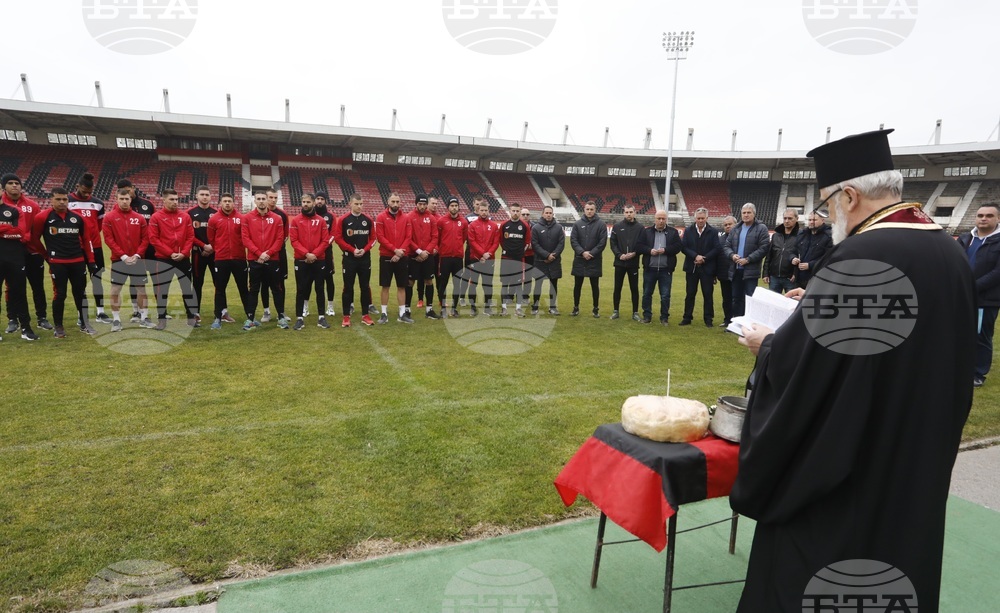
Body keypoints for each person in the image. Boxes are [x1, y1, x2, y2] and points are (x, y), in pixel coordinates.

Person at [731, 129, 975, 613]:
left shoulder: (864, 255)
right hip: (914, 451)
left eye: (825, 205)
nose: (825, 217)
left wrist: (770, 345)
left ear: (849, 194)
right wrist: (816, 309)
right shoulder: (945, 248)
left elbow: (812, 372)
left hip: (851, 466)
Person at [27, 187, 96, 339]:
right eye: (58, 199)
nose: (62, 202)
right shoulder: (42, 217)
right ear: (51, 200)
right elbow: (34, 239)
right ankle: (58, 326)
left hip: (77, 262)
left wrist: (90, 261)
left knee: (80, 293)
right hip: (58, 263)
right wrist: (46, 256)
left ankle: (85, 323)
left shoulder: (77, 218)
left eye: (65, 199)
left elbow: (86, 240)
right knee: (60, 294)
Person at [957, 204, 1000, 388]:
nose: (984, 218)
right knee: (960, 333)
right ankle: (960, 368)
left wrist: (972, 286)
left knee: (981, 336)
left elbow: (997, 273)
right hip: (962, 295)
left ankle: (978, 373)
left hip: (986, 299)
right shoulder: (966, 239)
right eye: (980, 215)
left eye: (989, 215)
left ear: (998, 219)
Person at [2, 173, 49, 332]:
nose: (14, 185)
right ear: (4, 187)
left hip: (33, 252)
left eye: (17, 183)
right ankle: (12, 319)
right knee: (12, 287)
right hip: (10, 254)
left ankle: (42, 317)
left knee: (38, 286)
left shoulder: (32, 205)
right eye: (10, 183)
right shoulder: (1, 206)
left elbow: (38, 229)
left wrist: (25, 236)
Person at [102, 188, 151, 331]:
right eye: (121, 199)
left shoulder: (139, 218)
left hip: (137, 260)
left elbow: (145, 238)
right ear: (116, 199)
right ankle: (116, 320)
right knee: (115, 289)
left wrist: (137, 255)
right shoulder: (109, 217)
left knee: (141, 289)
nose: (124, 201)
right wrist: (123, 256)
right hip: (119, 260)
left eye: (127, 199)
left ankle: (144, 318)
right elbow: (109, 239)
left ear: (131, 199)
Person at [148, 189, 196, 330]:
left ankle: (191, 318)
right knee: (162, 290)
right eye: (172, 199)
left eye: (176, 199)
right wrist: (170, 253)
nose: (175, 202)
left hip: (183, 258)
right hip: (164, 259)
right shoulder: (156, 217)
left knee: (187, 288)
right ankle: (162, 320)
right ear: (164, 200)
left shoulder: (185, 217)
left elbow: (190, 237)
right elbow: (154, 239)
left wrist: (185, 252)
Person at [68, 172, 109, 324]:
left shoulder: (98, 203)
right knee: (79, 282)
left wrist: (91, 239)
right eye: (84, 191)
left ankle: (101, 312)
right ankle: (81, 314)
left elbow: (98, 226)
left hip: (95, 247)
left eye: (89, 192)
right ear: (77, 186)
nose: (86, 194)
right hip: (76, 248)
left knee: (97, 279)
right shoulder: (68, 201)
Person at [207, 193, 253, 330]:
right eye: (225, 201)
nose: (227, 203)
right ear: (220, 203)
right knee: (220, 290)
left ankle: (250, 316)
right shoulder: (214, 219)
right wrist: (220, 250)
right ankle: (217, 317)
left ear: (234, 203)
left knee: (244, 289)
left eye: (230, 201)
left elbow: (245, 237)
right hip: (221, 259)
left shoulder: (241, 218)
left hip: (239, 259)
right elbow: (211, 239)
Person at [118, 179, 159, 323]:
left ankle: (161, 311)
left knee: (156, 278)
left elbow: (156, 222)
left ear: (133, 188)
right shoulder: (122, 208)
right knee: (134, 281)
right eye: (123, 191)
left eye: (128, 189)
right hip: (134, 250)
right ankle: (136, 311)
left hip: (150, 248)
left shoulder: (147, 204)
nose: (127, 193)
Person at [333, 193, 376, 327]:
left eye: (361, 204)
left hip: (365, 259)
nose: (359, 206)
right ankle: (346, 316)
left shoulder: (368, 220)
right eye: (356, 204)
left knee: (364, 287)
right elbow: (338, 238)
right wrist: (352, 250)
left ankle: (365, 315)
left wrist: (365, 249)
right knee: (348, 288)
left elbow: (373, 239)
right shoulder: (344, 220)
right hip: (349, 260)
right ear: (350, 204)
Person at [289, 193, 331, 330]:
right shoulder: (295, 221)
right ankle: (299, 318)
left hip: (318, 260)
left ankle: (321, 317)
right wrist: (306, 254)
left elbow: (325, 241)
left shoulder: (320, 221)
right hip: (301, 260)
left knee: (320, 288)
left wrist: (314, 254)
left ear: (313, 203)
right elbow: (294, 241)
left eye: (308, 202)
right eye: (303, 202)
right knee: (301, 289)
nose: (305, 204)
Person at [722, 202, 769, 317]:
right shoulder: (736, 229)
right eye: (744, 213)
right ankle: (736, 323)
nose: (746, 215)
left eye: (749, 212)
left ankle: (750, 323)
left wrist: (748, 259)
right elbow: (726, 246)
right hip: (735, 270)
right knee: (736, 298)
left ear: (754, 214)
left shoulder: (761, 228)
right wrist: (732, 255)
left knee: (750, 298)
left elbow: (764, 248)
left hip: (750, 271)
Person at [636, 209, 682, 324]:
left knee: (665, 295)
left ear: (666, 219)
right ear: (654, 219)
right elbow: (639, 246)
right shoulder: (646, 232)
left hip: (665, 270)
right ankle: (647, 316)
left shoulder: (673, 232)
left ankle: (664, 318)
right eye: (659, 218)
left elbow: (678, 247)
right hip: (649, 269)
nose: (661, 221)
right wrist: (649, 251)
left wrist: (665, 250)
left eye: (663, 219)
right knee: (647, 294)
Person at [375, 192, 414, 324]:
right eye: (393, 201)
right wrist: (394, 250)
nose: (395, 204)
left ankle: (402, 314)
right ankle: (384, 314)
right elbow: (380, 237)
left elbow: (409, 237)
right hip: (386, 256)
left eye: (397, 201)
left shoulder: (406, 218)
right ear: (388, 202)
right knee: (385, 286)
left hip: (402, 256)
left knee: (402, 285)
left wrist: (399, 252)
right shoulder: (381, 217)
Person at [679, 208, 719, 327]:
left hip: (707, 268)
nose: (700, 220)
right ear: (695, 218)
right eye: (698, 218)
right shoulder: (689, 230)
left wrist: (704, 258)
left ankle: (708, 319)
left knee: (708, 294)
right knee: (690, 293)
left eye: (702, 218)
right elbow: (683, 247)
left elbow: (717, 248)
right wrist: (695, 256)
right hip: (692, 267)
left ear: (707, 218)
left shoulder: (713, 231)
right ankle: (687, 317)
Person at [570, 200, 607, 317]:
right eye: (587, 209)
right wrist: (582, 252)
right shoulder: (577, 224)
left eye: (591, 209)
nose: (589, 211)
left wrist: (591, 253)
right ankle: (575, 308)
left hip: (594, 260)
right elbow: (573, 241)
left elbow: (602, 242)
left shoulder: (601, 224)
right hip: (580, 259)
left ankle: (596, 309)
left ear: (595, 210)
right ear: (584, 210)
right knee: (577, 285)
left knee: (595, 285)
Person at [187, 185, 217, 323]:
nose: (205, 197)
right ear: (197, 196)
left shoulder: (216, 213)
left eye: (207, 194)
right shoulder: (189, 213)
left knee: (219, 283)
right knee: (198, 283)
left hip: (215, 253)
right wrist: (203, 246)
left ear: (211, 197)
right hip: (198, 254)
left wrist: (212, 247)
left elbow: (220, 234)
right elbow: (188, 235)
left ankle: (221, 311)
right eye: (202, 194)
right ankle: (195, 312)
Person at [407, 194, 440, 319]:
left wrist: (426, 251)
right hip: (413, 255)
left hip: (427, 255)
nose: (422, 206)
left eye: (424, 204)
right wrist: (419, 251)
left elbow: (435, 237)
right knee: (410, 282)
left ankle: (429, 310)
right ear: (416, 204)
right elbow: (408, 238)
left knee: (429, 281)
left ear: (426, 204)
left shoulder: (431, 218)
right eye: (419, 204)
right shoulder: (409, 217)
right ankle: (407, 309)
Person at [259, 188, 288, 322]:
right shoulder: (260, 214)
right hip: (262, 254)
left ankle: (281, 312)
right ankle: (266, 311)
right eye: (270, 197)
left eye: (275, 197)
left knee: (280, 283)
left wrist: (273, 249)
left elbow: (285, 236)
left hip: (279, 254)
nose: (273, 200)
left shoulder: (282, 215)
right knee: (264, 283)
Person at [435, 196, 468, 317]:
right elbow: (437, 239)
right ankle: (443, 308)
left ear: (458, 207)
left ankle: (454, 308)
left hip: (458, 258)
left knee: (457, 283)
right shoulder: (441, 221)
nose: (454, 208)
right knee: (443, 282)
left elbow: (463, 238)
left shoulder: (463, 222)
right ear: (448, 207)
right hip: (445, 257)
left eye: (456, 206)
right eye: (452, 206)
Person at [466, 201, 500, 316]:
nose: (484, 212)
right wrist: (482, 254)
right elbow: (472, 242)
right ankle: (473, 307)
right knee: (473, 283)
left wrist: (488, 254)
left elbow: (496, 242)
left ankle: (487, 307)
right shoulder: (472, 225)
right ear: (478, 210)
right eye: (482, 210)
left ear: (488, 210)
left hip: (489, 259)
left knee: (487, 284)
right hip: (475, 258)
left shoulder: (494, 225)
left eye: (486, 210)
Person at [609, 205, 642, 321]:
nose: (629, 214)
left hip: (633, 263)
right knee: (617, 287)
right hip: (619, 263)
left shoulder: (640, 227)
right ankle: (616, 310)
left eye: (631, 212)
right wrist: (620, 255)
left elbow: (643, 244)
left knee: (634, 288)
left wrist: (635, 253)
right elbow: (613, 243)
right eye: (627, 212)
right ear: (624, 213)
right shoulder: (617, 226)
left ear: (635, 213)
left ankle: (635, 312)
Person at [498, 202, 530, 317]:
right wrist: (507, 251)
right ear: (510, 211)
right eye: (513, 211)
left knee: (518, 284)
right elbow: (501, 240)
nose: (515, 213)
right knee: (504, 284)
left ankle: (518, 309)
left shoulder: (525, 226)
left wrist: (520, 252)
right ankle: (504, 309)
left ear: (520, 211)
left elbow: (527, 242)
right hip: (506, 259)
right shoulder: (504, 225)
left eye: (517, 211)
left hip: (518, 260)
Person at [531, 205, 564, 315]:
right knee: (538, 284)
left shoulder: (559, 228)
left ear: (552, 214)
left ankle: (553, 307)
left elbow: (561, 243)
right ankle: (535, 306)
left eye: (550, 213)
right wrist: (546, 255)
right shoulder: (536, 228)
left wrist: (552, 256)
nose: (548, 215)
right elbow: (535, 244)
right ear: (542, 214)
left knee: (553, 285)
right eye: (547, 213)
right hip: (540, 261)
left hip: (554, 261)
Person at [762, 208, 800, 294]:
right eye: (785, 218)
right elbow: (769, 256)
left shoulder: (801, 236)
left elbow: (802, 257)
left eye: (790, 218)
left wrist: (796, 273)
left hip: (790, 278)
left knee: (791, 305)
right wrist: (765, 274)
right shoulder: (776, 236)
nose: (787, 221)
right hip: (774, 277)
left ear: (797, 218)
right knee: (773, 304)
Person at [792, 211, 833, 288]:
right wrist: (793, 258)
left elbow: (829, 258)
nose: (811, 222)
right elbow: (793, 251)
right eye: (810, 220)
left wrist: (810, 265)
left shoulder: (829, 236)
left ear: (823, 220)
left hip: (817, 280)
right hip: (798, 279)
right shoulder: (802, 234)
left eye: (814, 220)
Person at [314, 191, 337, 317]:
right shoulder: (310, 215)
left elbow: (333, 234)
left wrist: (323, 245)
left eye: (322, 199)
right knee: (312, 280)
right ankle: (306, 307)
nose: (319, 201)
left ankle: (330, 306)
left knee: (329, 280)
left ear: (325, 201)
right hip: (313, 253)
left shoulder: (331, 216)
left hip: (327, 253)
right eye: (317, 198)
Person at [715, 215, 736, 327]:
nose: (728, 227)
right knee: (726, 299)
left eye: (730, 224)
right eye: (726, 225)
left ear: (735, 225)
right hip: (723, 274)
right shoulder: (720, 240)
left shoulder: (740, 237)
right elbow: (717, 258)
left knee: (736, 299)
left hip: (737, 274)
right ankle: (727, 319)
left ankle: (736, 321)